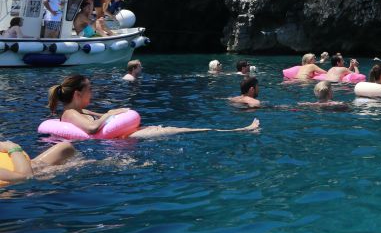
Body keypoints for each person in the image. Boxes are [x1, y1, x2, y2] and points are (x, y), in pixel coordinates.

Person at [49, 74, 259, 138]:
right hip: (116, 139)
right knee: (179, 131)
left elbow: (100, 119)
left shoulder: (80, 111)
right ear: (78, 94)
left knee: (168, 129)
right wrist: (111, 112)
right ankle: (237, 130)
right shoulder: (69, 114)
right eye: (89, 90)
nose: (92, 93)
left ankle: (234, 130)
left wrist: (110, 114)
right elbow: (93, 129)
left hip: (120, 138)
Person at [0, 140, 76, 187]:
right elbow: (26, 177)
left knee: (64, 148)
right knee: (71, 158)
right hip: (23, 189)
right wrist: (13, 148)